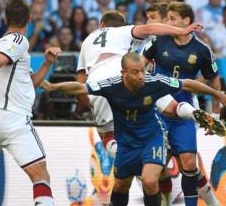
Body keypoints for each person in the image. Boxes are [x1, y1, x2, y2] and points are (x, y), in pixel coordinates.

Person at [42, 52, 226, 206]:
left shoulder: (153, 82)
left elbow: (186, 83)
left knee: (149, 180)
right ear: (124, 73)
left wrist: (217, 93)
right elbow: (80, 88)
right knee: (121, 186)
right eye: (135, 72)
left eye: (143, 71)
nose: (141, 76)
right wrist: (53, 86)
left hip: (152, 139)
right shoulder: (111, 85)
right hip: (126, 145)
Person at [0, 0, 61, 206]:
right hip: (11, 118)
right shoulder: (18, 41)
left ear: (6, 18)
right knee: (40, 174)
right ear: (28, 21)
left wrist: (47, 64)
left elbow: (28, 83)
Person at [76, 9, 210, 160]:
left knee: (107, 134)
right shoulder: (124, 31)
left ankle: (132, 156)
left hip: (99, 80)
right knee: (167, 104)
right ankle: (191, 112)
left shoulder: (87, 40)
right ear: (123, 25)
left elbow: (80, 80)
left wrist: (88, 104)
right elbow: (148, 29)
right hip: (125, 73)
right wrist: (183, 30)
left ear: (101, 24)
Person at [142, 1, 222, 206]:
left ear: (186, 21)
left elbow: (214, 80)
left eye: (172, 18)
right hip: (156, 112)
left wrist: (213, 117)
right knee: (154, 168)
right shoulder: (158, 41)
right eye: (166, 18)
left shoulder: (202, 49)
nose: (167, 22)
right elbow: (139, 66)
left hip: (183, 112)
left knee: (188, 163)